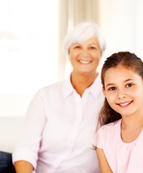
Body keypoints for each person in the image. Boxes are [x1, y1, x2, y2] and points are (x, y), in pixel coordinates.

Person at [12, 22, 106, 173]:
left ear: (100, 53)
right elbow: (26, 146)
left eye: (92, 47)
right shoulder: (45, 96)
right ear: (68, 53)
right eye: (77, 47)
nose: (85, 53)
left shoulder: (110, 98)